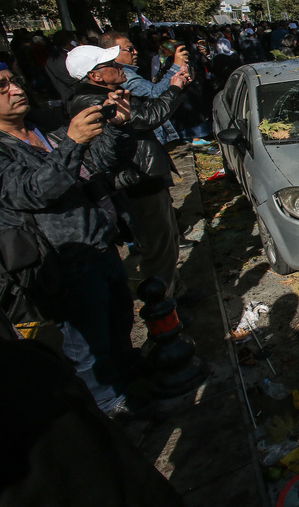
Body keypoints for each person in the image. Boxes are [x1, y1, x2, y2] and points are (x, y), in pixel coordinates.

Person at [0, 60, 142, 414]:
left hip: (100, 246)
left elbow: (98, 163)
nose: (16, 89)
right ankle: (106, 405)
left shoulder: (43, 128)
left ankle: (130, 380)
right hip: (63, 264)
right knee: (87, 348)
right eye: (1, 87)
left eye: (13, 81)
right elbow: (34, 191)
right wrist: (72, 142)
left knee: (120, 320)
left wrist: (119, 129)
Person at [67, 44, 194, 302]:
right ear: (95, 76)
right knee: (158, 249)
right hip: (136, 184)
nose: (120, 67)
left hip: (145, 177)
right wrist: (175, 89)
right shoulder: (96, 101)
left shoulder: (109, 92)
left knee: (167, 242)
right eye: (112, 65)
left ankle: (175, 293)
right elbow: (148, 117)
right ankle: (163, 312)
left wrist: (173, 85)